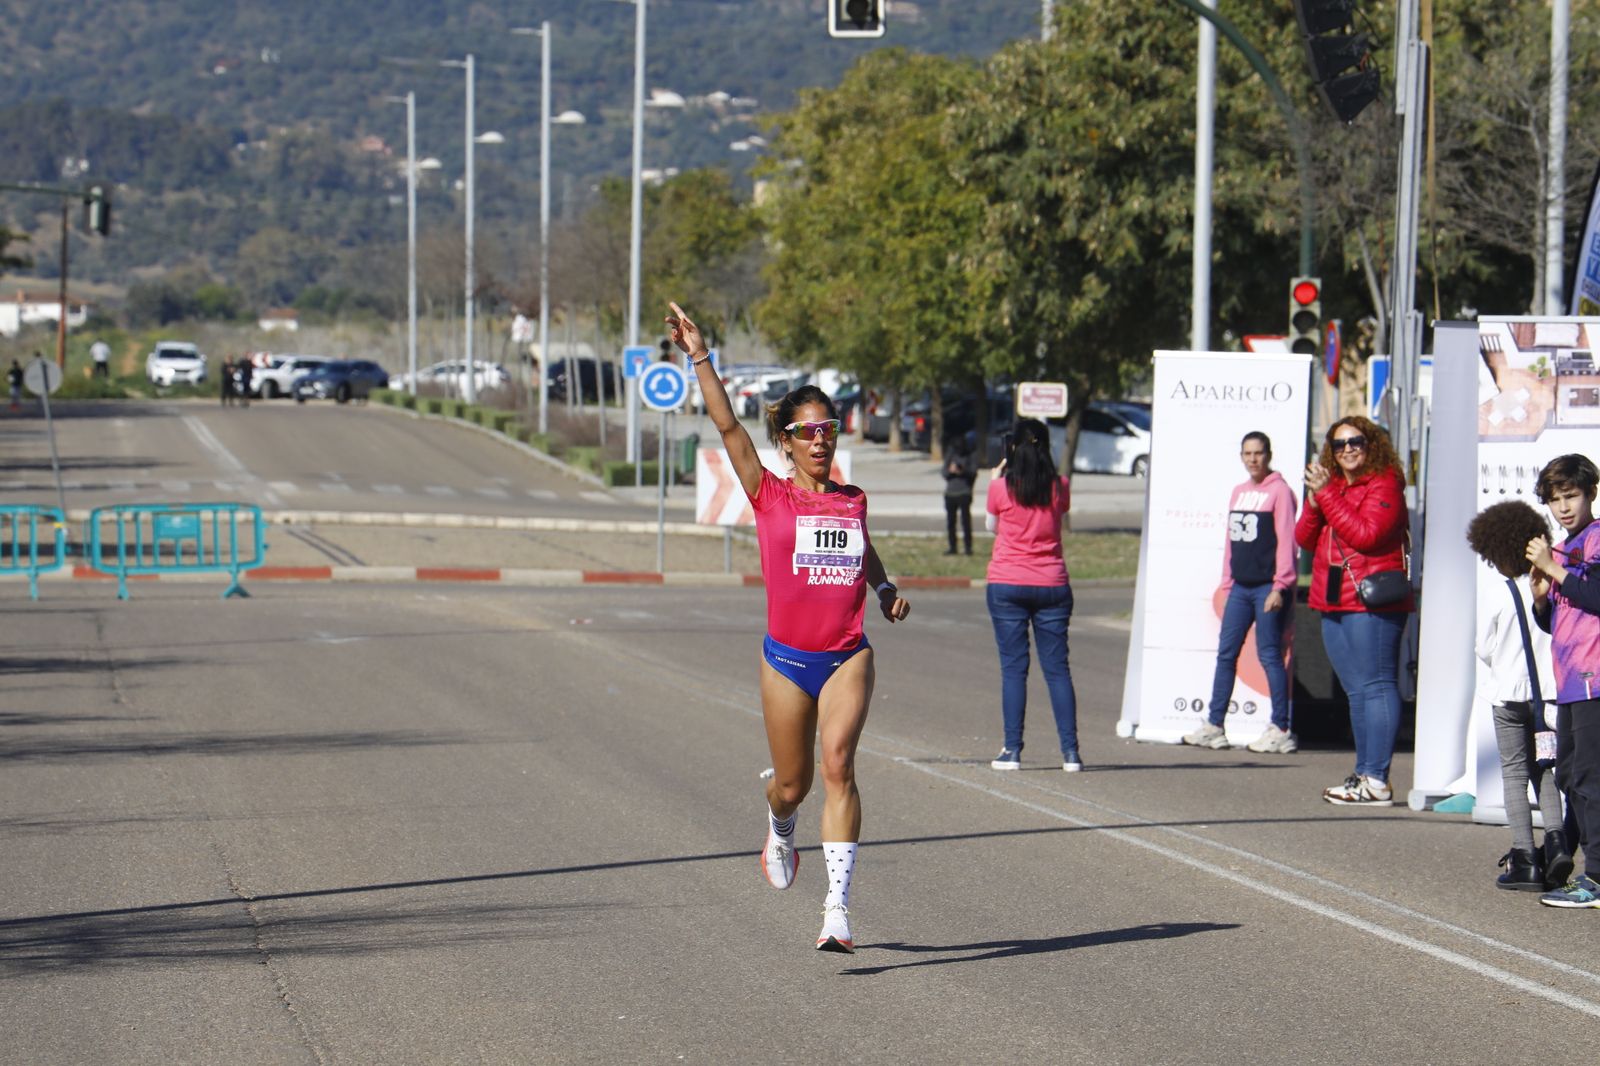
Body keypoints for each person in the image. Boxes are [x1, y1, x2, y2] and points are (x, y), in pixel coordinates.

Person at [667, 300, 910, 953]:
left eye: (828, 427)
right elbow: (726, 426)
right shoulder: (768, 493)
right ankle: (779, 824)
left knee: (839, 766)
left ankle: (837, 910)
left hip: (847, 654)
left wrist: (884, 587)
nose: (821, 439)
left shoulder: (853, 500)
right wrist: (699, 356)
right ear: (788, 441)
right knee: (793, 784)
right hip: (786, 661)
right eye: (808, 431)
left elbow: (861, 548)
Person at [1296, 416, 1414, 806]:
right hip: (1332, 599)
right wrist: (1314, 502)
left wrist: (1327, 494)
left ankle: (1377, 778)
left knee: (1376, 685)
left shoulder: (1385, 483)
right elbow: (1304, 538)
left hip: (1372, 601)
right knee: (1356, 691)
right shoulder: (1332, 487)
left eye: (1355, 441)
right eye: (1338, 444)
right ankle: (1364, 775)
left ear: (1371, 444)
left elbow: (1366, 535)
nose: (1347, 449)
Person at [1466, 499, 1569, 891]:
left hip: (1509, 696)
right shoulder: (1550, 586)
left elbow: (1484, 648)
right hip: (1548, 697)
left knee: (1513, 773)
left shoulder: (1499, 593)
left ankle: (1524, 857)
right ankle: (1556, 842)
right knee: (1545, 768)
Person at [1184, 431, 1299, 753]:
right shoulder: (1238, 492)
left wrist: (1281, 585)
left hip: (1267, 588)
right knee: (1226, 654)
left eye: (1258, 453)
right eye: (1247, 454)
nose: (1253, 459)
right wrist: (1227, 583)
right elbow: (1231, 541)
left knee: (1269, 655)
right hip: (1239, 587)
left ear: (1268, 454)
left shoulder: (1280, 492)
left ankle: (1280, 728)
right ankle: (1214, 725)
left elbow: (1287, 541)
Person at [985, 418, 1081, 773]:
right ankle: (1071, 753)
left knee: (1014, 669)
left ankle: (1012, 750)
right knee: (1057, 670)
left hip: (1007, 581)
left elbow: (992, 527)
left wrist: (995, 479)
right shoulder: (1060, 486)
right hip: (1052, 582)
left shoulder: (1001, 488)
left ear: (1013, 448)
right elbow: (1059, 513)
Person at [1526, 454, 1600, 908]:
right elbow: (1558, 622)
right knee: (1570, 775)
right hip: (1569, 681)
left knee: (1589, 777)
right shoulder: (1564, 547)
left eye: (1571, 496)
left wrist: (1554, 569)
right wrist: (1541, 600)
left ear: (1590, 492)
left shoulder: (1596, 538)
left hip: (1595, 679)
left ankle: (1596, 877)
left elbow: (1596, 594)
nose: (1564, 508)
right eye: (1555, 500)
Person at [942, 435, 978, 555]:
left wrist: (962, 471)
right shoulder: (951, 455)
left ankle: (968, 547)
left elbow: (973, 472)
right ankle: (952, 547)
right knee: (951, 522)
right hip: (950, 493)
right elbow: (944, 472)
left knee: (966, 521)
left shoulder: (970, 455)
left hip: (964, 492)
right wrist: (951, 471)